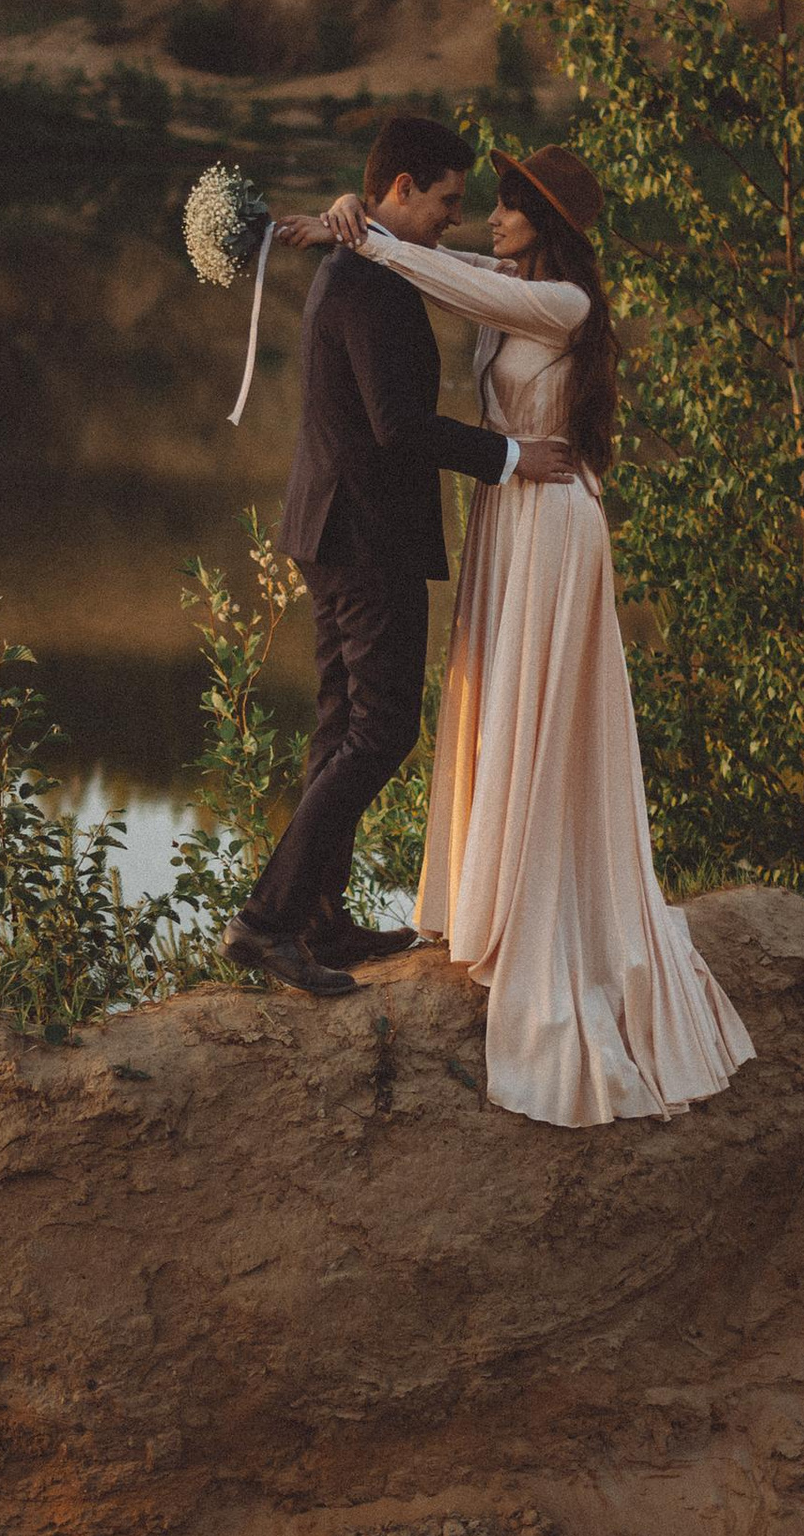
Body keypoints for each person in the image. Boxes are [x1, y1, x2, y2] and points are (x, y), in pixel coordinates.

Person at [283, 140, 755, 1130]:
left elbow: (433, 272)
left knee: (539, 711)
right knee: (493, 699)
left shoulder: (562, 305)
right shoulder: (511, 275)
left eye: (503, 209)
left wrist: (361, 230)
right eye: (478, 204)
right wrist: (351, 219)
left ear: (547, 223)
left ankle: (543, 913)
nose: (486, 220)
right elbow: (445, 265)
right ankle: (471, 898)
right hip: (510, 516)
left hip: (553, 523)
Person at [227, 112, 579, 999]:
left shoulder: (365, 263)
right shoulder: (369, 281)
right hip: (365, 535)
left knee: (342, 723)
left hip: (336, 527)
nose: (455, 219)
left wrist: (351, 217)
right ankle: (269, 922)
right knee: (381, 734)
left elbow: (451, 275)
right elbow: (401, 427)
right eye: (447, 202)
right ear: (401, 190)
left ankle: (316, 918)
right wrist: (509, 458)